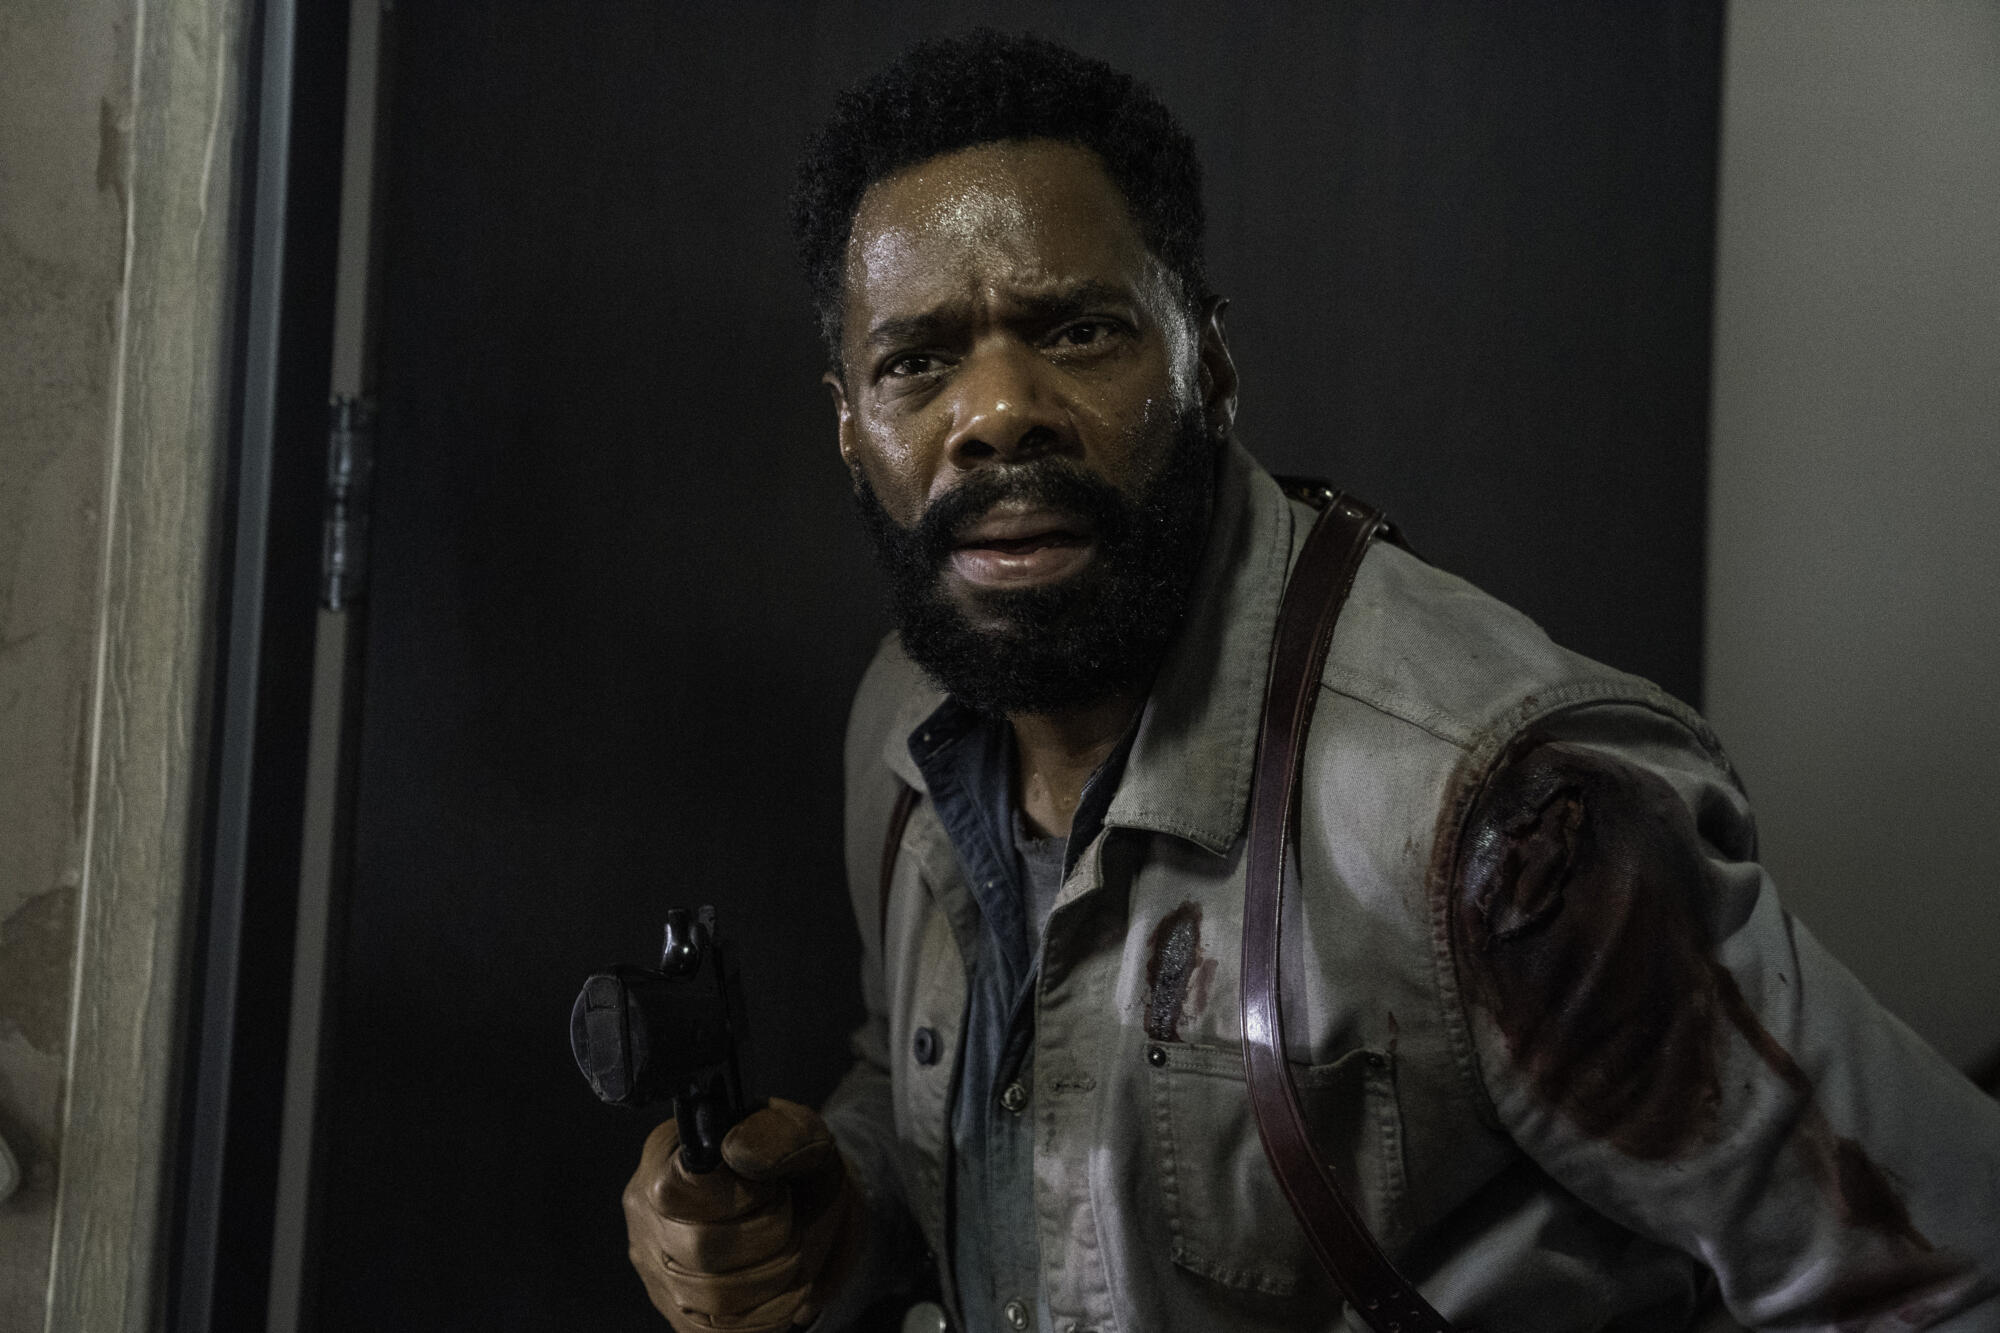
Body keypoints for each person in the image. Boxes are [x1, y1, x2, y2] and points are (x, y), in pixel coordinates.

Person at [619, 31, 2000, 1333]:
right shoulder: (906, 718)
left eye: (1078, 332)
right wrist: (838, 1202)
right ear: (850, 425)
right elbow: (969, 1101)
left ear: (1209, 361)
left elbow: (1946, 1273)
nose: (994, 413)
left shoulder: (1493, 811)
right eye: (917, 362)